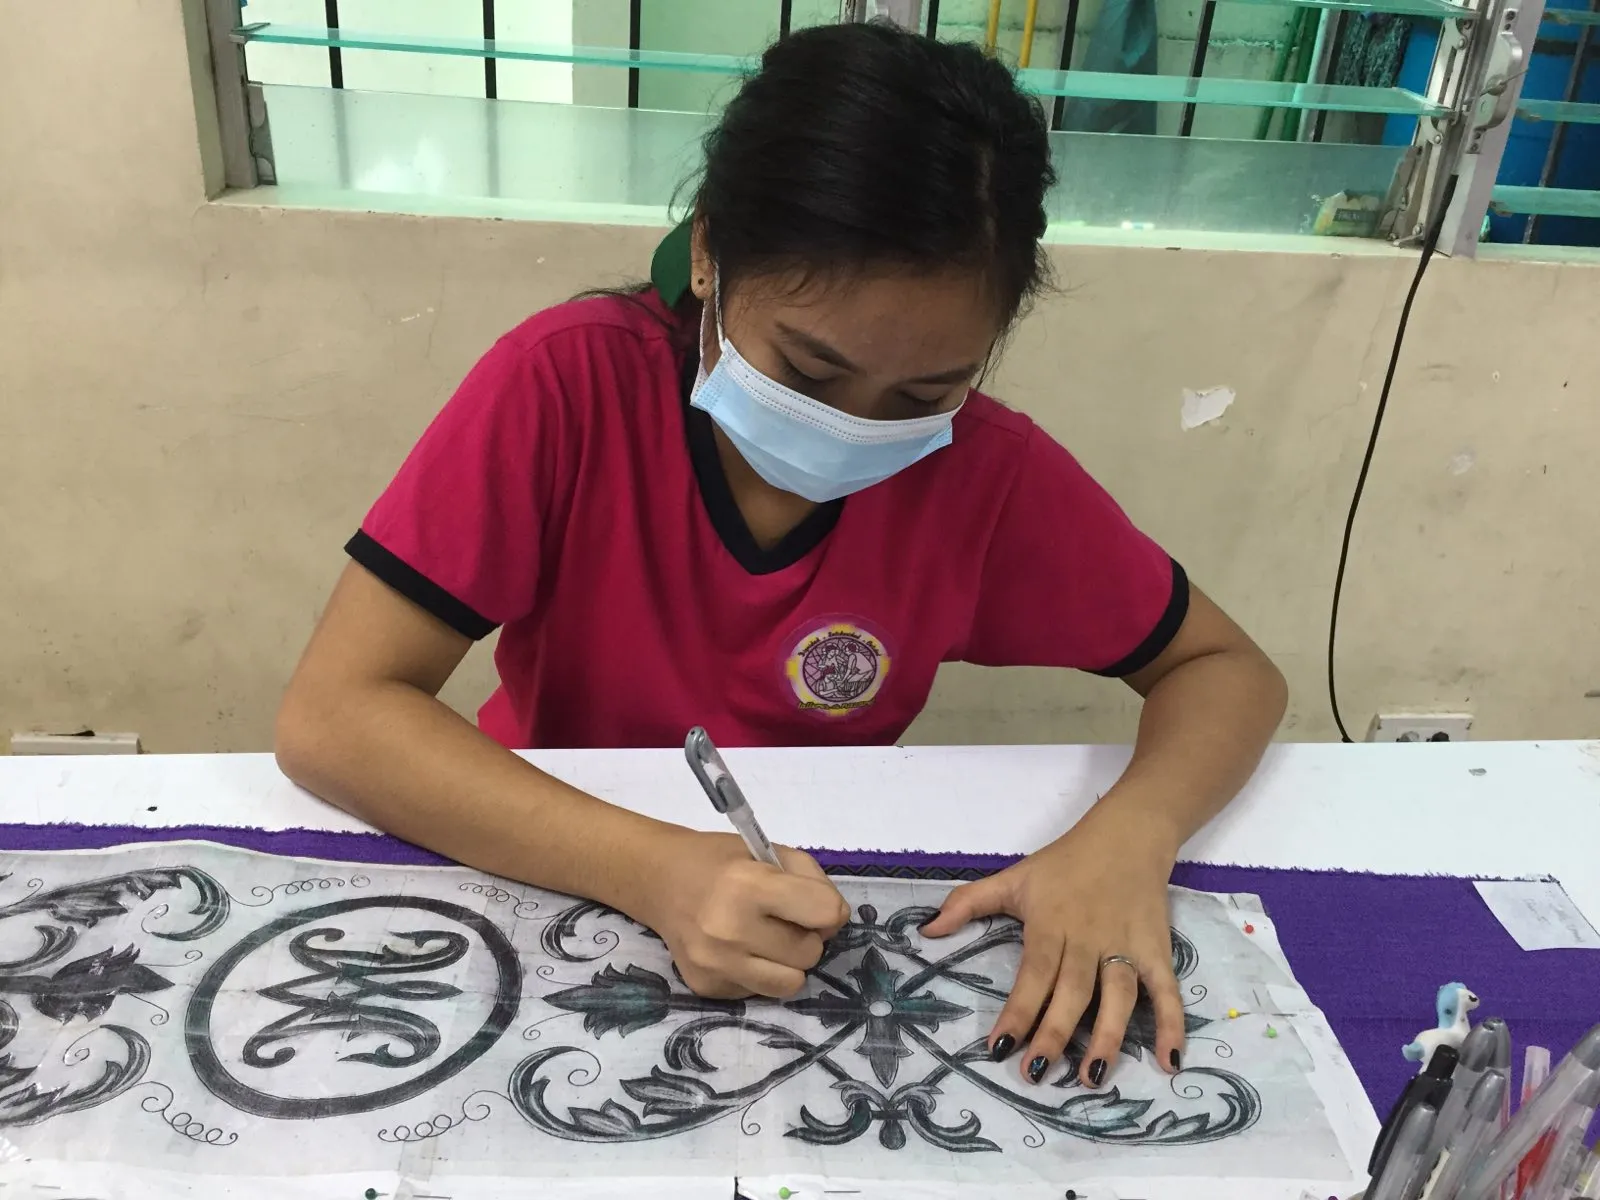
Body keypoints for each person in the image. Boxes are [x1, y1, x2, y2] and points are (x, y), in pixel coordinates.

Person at [275, 21, 1287, 1092]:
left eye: (925, 392)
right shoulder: (570, 387)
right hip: (538, 857)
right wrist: (654, 870)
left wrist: (1131, 835)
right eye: (807, 371)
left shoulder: (984, 475)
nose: (853, 427)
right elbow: (334, 715)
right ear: (710, 253)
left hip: (811, 902)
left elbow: (1226, 670)